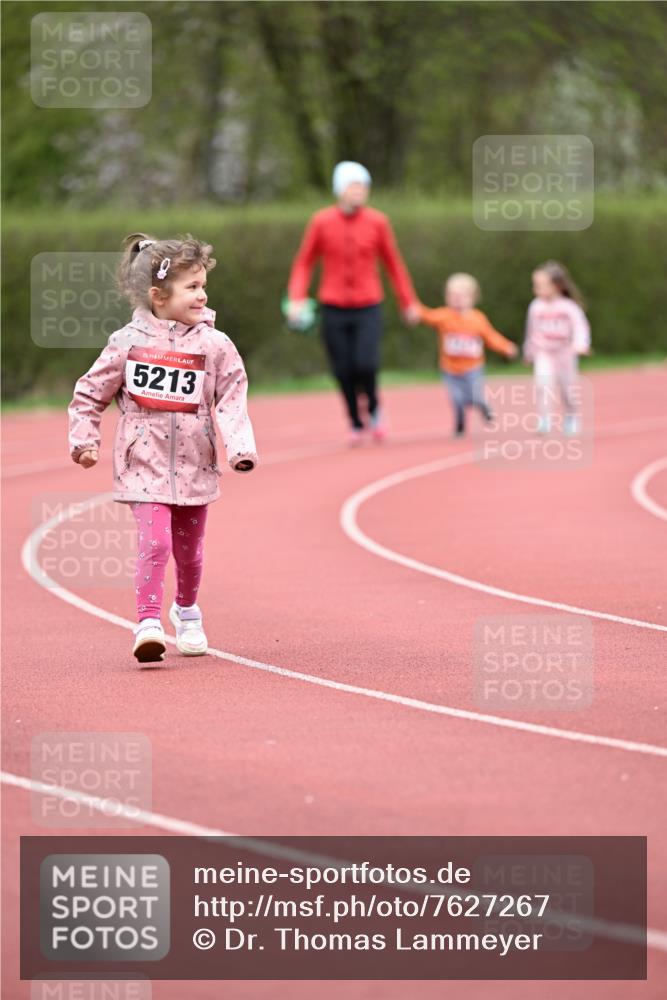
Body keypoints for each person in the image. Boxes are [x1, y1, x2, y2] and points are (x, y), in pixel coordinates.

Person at [68, 233, 258, 664]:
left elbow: (232, 396)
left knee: (190, 553)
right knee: (155, 544)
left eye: (203, 286)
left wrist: (240, 447)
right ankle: (148, 622)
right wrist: (84, 441)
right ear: (158, 296)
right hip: (144, 463)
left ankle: (187, 611)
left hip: (196, 463)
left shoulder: (215, 345)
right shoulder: (126, 343)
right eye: (191, 287)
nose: (202, 295)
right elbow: (89, 394)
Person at [286, 161, 420, 445]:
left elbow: (394, 264)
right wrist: (297, 298)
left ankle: (373, 408)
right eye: (354, 185)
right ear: (340, 189)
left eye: (364, 186)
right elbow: (304, 263)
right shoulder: (321, 221)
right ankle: (355, 421)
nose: (360, 191)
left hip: (368, 305)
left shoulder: (378, 222)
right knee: (342, 370)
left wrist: (409, 302)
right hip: (333, 306)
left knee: (366, 364)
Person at [414, 272, 518, 436]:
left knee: (476, 396)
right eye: (452, 296)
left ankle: (484, 407)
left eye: (460, 296)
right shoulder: (444, 316)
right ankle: (460, 424)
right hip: (450, 369)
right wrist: (414, 309)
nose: (456, 300)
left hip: (473, 368)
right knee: (456, 399)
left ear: (472, 297)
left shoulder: (478, 319)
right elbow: (427, 315)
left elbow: (491, 337)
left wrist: (506, 347)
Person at [523, 260, 591, 434]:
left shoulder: (569, 307)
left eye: (541, 285)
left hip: (565, 354)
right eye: (535, 285)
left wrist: (580, 344)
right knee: (542, 385)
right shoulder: (535, 306)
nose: (537, 289)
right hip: (544, 353)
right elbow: (531, 331)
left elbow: (580, 327)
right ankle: (544, 419)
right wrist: (529, 351)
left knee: (568, 388)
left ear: (557, 285)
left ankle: (571, 417)